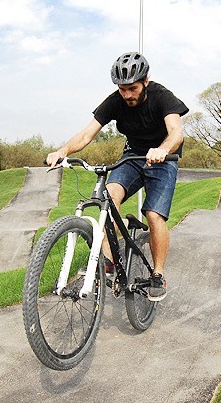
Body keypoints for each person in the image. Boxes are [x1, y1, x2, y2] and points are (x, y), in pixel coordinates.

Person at [45, 52, 188, 301]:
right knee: (109, 198)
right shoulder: (115, 101)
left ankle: (157, 274)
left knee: (154, 215)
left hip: (164, 158)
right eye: (122, 89)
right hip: (132, 157)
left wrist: (163, 150)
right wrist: (62, 150)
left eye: (132, 88)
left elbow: (177, 131)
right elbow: (88, 133)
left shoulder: (161, 96)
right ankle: (109, 262)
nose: (127, 95)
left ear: (145, 81)